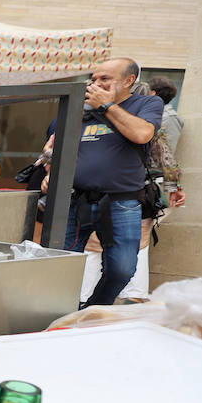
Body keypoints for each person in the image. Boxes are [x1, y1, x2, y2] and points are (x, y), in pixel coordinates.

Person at [44, 58, 164, 307]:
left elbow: (142, 134)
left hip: (122, 201)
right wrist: (50, 172)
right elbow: (52, 148)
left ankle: (94, 309)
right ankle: (57, 312)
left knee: (121, 269)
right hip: (74, 199)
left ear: (129, 81)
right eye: (94, 79)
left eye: (105, 79)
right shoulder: (78, 108)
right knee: (57, 262)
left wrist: (106, 105)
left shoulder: (146, 103)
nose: (96, 84)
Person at [148, 77, 182, 154]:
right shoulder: (150, 113)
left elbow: (168, 151)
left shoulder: (170, 118)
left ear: (153, 93)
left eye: (147, 91)